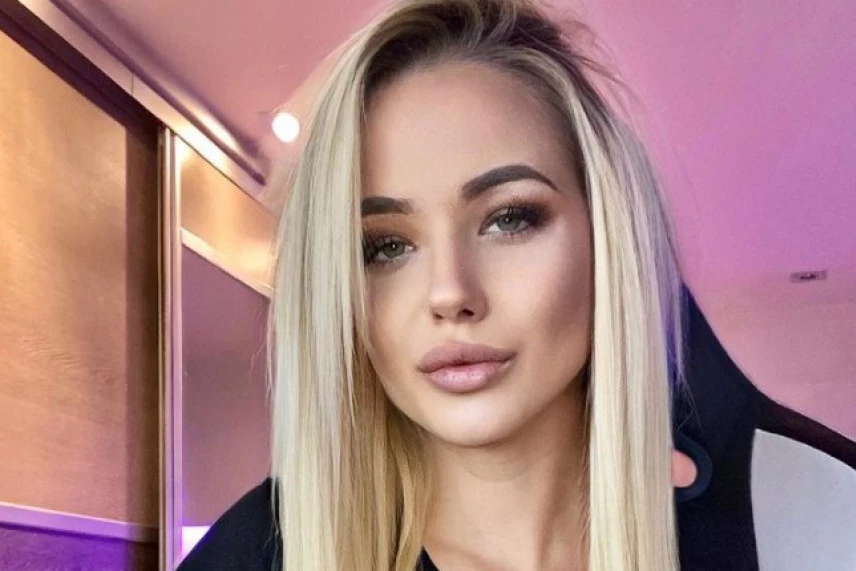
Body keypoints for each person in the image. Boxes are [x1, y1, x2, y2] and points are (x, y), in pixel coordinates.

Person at [178, 0, 856, 570]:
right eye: (383, 247)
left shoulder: (800, 528)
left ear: (604, 233)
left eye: (509, 219)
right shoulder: (259, 554)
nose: (450, 292)